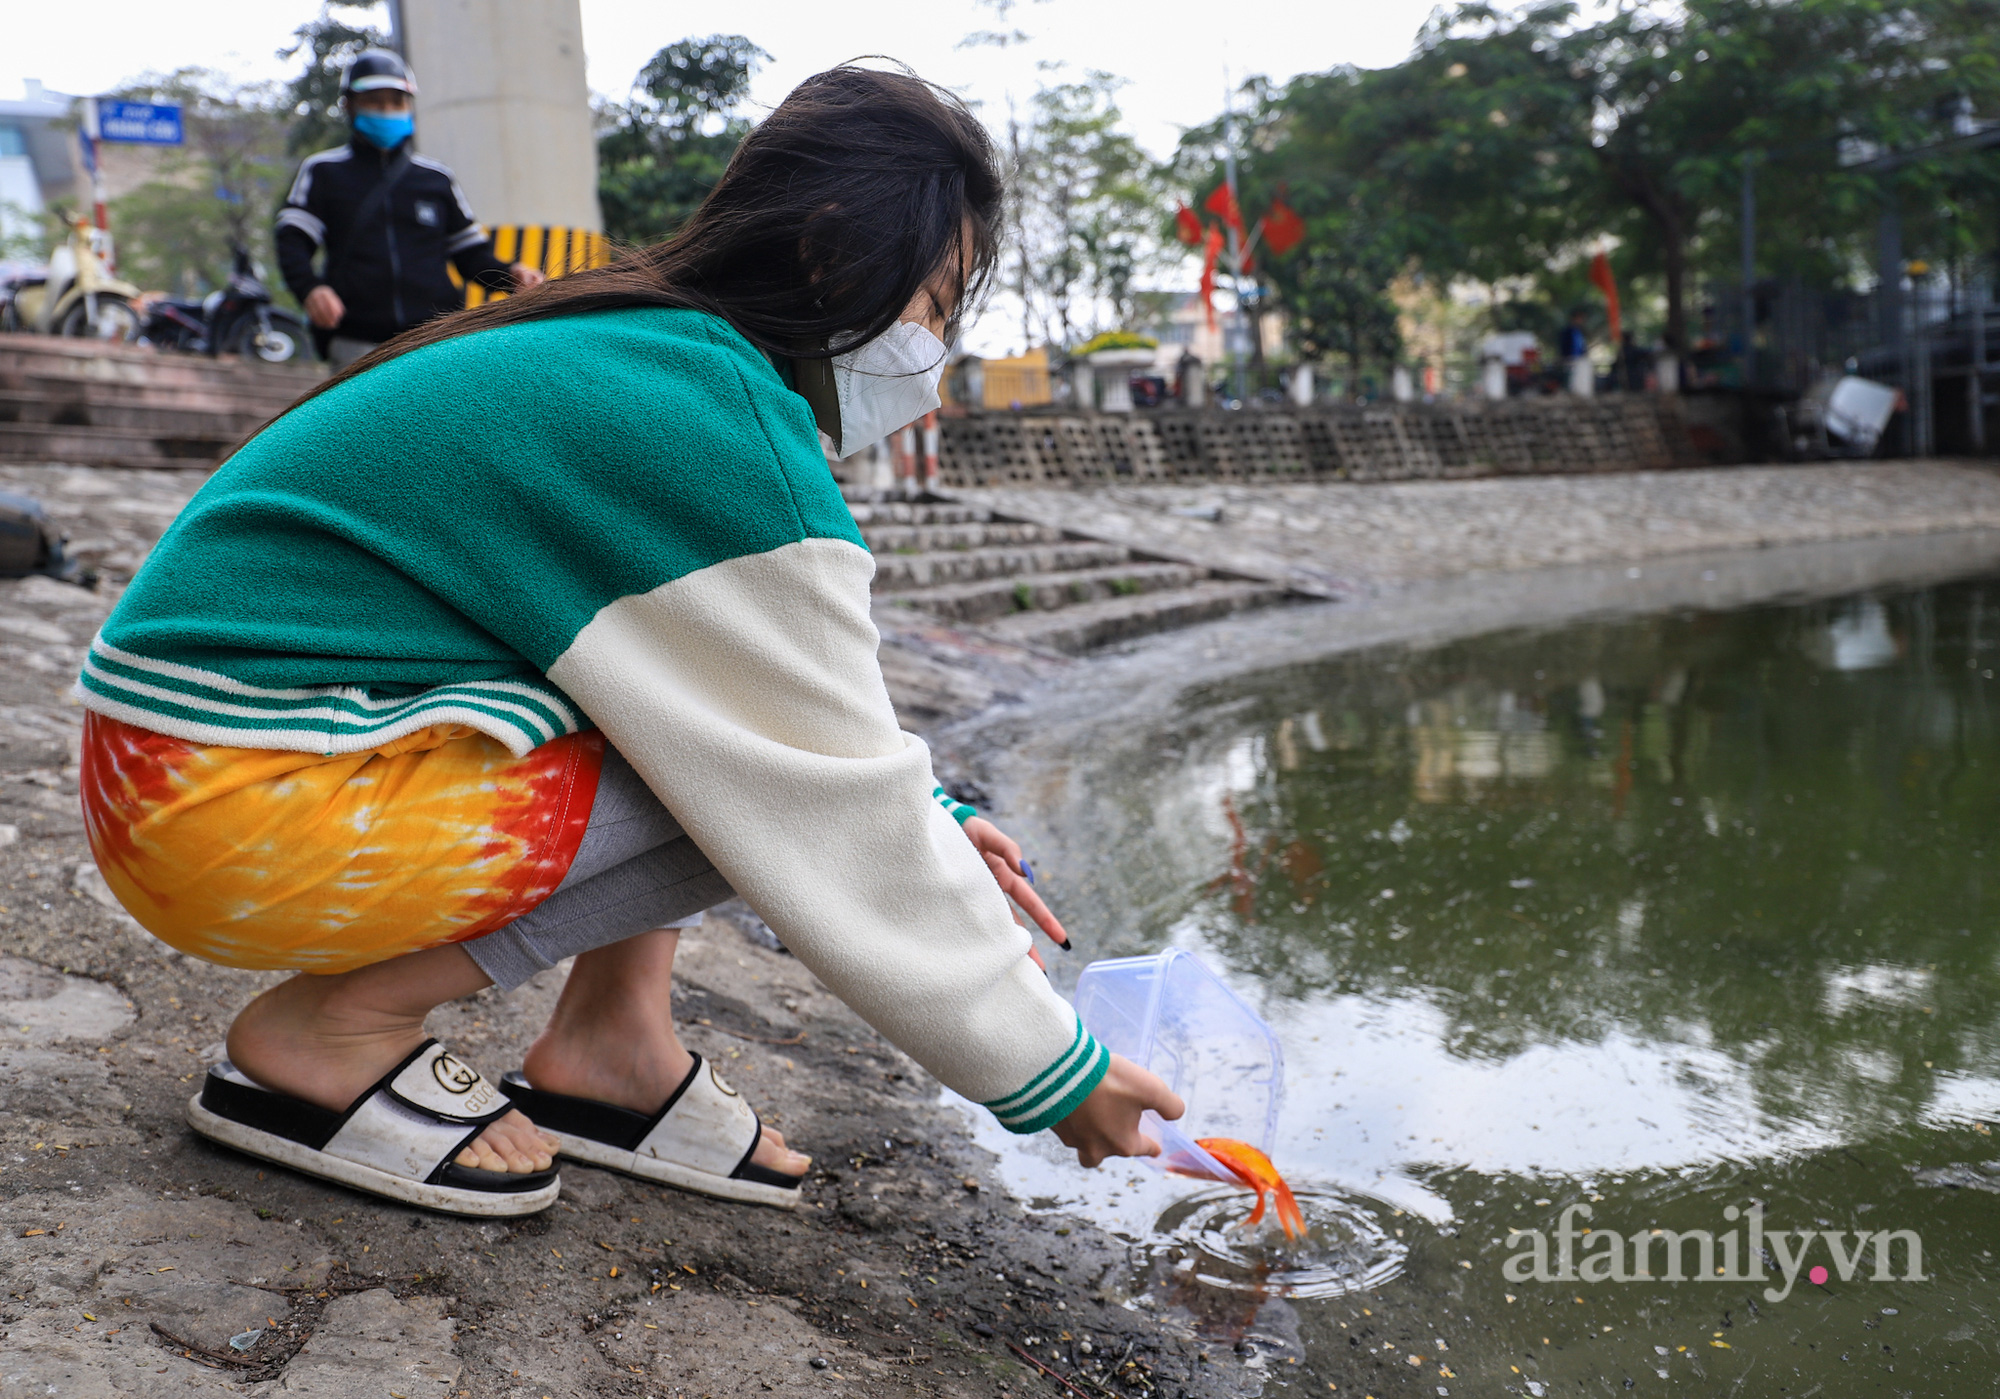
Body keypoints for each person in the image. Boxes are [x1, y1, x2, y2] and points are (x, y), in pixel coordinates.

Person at [78, 65, 1183, 1218]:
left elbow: (757, 691)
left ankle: (612, 1043)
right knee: (741, 782)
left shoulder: (647, 353)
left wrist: (939, 820)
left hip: (189, 775)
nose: (936, 351)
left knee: (713, 738)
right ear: (828, 254)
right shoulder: (706, 414)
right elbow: (807, 775)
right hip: (229, 810)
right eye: (937, 303)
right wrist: (1057, 1071)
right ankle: (329, 1027)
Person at [275, 48, 546, 368]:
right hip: (356, 341)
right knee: (365, 420)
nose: (387, 110)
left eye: (397, 102)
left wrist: (510, 275)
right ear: (349, 106)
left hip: (434, 338)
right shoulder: (322, 171)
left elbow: (471, 255)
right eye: (375, 101)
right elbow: (292, 237)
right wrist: (310, 289)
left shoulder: (436, 179)